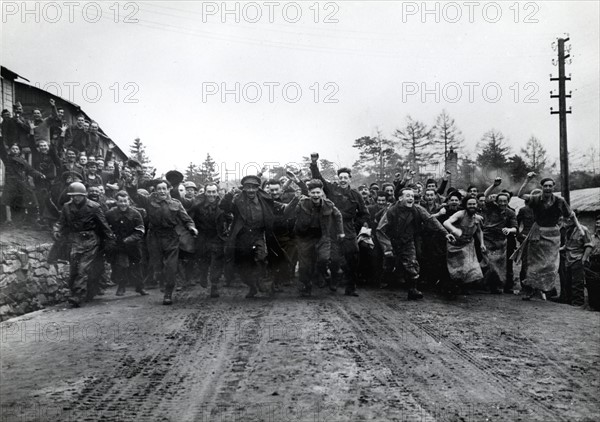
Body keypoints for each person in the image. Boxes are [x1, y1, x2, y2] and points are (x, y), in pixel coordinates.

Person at [220, 175, 298, 298]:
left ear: (257, 188)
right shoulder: (237, 200)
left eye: (254, 187)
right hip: (242, 237)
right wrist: (229, 194)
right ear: (244, 188)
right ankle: (252, 286)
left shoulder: (265, 200)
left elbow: (283, 208)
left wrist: (295, 200)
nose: (251, 190)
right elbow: (223, 206)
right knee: (243, 266)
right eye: (248, 187)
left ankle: (263, 281)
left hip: (258, 235)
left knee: (261, 257)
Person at [127, 179, 198, 305]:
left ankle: (168, 293)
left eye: (164, 188)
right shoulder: (149, 201)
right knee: (157, 267)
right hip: (154, 237)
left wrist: (191, 227)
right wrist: (132, 186)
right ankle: (160, 279)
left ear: (168, 189)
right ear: (155, 190)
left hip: (171, 237)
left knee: (171, 266)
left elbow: (186, 218)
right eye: (159, 189)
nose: (162, 191)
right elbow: (135, 196)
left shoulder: (176, 203)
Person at [377, 188, 455, 300]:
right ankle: (385, 281)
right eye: (407, 196)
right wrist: (387, 248)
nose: (411, 198)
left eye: (412, 196)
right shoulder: (391, 211)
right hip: (392, 241)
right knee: (389, 263)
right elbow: (380, 230)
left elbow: (431, 220)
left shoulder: (417, 209)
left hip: (407, 241)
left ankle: (412, 289)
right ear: (400, 198)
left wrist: (445, 233)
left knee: (411, 264)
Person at [516, 173, 585, 300]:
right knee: (534, 263)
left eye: (550, 186)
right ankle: (530, 289)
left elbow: (571, 214)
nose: (547, 188)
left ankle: (546, 289)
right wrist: (527, 179)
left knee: (550, 265)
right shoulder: (536, 199)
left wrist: (579, 227)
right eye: (545, 186)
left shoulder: (560, 201)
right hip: (537, 232)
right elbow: (520, 195)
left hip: (553, 234)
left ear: (553, 187)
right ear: (542, 187)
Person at [310, 153, 369, 296]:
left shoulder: (356, 195)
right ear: (338, 178)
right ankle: (334, 278)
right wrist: (313, 163)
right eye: (340, 177)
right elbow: (319, 179)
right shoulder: (332, 189)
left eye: (345, 178)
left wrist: (355, 226)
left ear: (350, 179)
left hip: (349, 230)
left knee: (352, 257)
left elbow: (364, 213)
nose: (343, 180)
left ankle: (351, 286)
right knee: (335, 258)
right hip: (333, 229)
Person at [53, 182, 115, 307]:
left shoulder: (94, 207)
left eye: (78, 196)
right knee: (74, 268)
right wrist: (56, 230)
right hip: (74, 240)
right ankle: (79, 291)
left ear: (84, 195)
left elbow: (104, 226)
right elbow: (60, 222)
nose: (76, 198)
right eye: (73, 196)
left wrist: (110, 240)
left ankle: (77, 295)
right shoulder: (66, 207)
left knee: (83, 268)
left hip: (90, 241)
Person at [294, 179, 344, 296]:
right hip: (306, 237)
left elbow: (338, 216)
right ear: (309, 193)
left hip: (323, 236)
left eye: (318, 192)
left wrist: (340, 232)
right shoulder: (302, 203)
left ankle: (323, 273)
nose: (316, 195)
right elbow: (294, 215)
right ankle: (307, 286)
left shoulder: (329, 204)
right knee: (305, 265)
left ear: (322, 192)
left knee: (324, 259)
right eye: (313, 193)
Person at [186, 182, 230, 298]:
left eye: (214, 192)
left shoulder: (222, 205)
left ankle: (214, 285)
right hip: (202, 237)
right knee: (202, 259)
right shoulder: (198, 205)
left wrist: (227, 228)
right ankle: (203, 274)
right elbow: (189, 218)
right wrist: (192, 229)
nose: (211, 195)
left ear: (217, 192)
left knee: (216, 261)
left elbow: (230, 217)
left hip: (217, 237)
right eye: (209, 192)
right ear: (205, 192)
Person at [105, 191, 149, 297]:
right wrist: (112, 238)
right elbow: (106, 227)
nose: (123, 204)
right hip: (119, 244)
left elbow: (140, 230)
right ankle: (122, 286)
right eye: (120, 201)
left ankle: (140, 287)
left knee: (137, 265)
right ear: (116, 202)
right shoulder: (110, 213)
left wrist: (130, 239)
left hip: (133, 244)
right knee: (121, 265)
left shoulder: (136, 213)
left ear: (129, 201)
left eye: (125, 201)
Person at [481, 178, 517, 293]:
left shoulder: (510, 212)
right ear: (497, 201)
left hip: (501, 242)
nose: (502, 203)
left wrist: (509, 229)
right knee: (489, 263)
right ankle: (485, 285)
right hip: (488, 239)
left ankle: (498, 286)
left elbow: (515, 227)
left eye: (504, 201)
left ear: (508, 201)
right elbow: (485, 196)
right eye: (500, 201)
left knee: (500, 265)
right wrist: (494, 185)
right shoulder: (492, 208)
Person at [443, 196, 485, 294]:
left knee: (469, 267)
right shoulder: (460, 214)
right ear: (465, 205)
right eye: (469, 204)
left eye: (474, 204)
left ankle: (464, 287)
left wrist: (482, 243)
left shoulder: (477, 217)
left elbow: (479, 231)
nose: (472, 206)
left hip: (468, 244)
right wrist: (455, 230)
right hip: (454, 245)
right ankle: (451, 288)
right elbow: (446, 222)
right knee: (455, 268)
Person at [0, 142, 43, 224]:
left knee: (31, 197)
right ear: (10, 150)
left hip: (22, 182)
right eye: (13, 149)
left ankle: (32, 219)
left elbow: (30, 170)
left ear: (19, 151)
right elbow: (2, 149)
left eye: (16, 149)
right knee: (7, 200)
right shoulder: (7, 158)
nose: (15, 150)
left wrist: (40, 174)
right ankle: (8, 220)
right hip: (11, 182)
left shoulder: (23, 160)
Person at [561, 213, 593, 306]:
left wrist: (583, 259)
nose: (568, 220)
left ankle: (578, 303)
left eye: (571, 218)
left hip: (578, 258)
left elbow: (589, 246)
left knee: (577, 283)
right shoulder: (568, 230)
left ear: (576, 218)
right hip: (568, 259)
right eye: (566, 218)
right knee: (568, 282)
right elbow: (566, 246)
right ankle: (569, 302)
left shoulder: (583, 230)